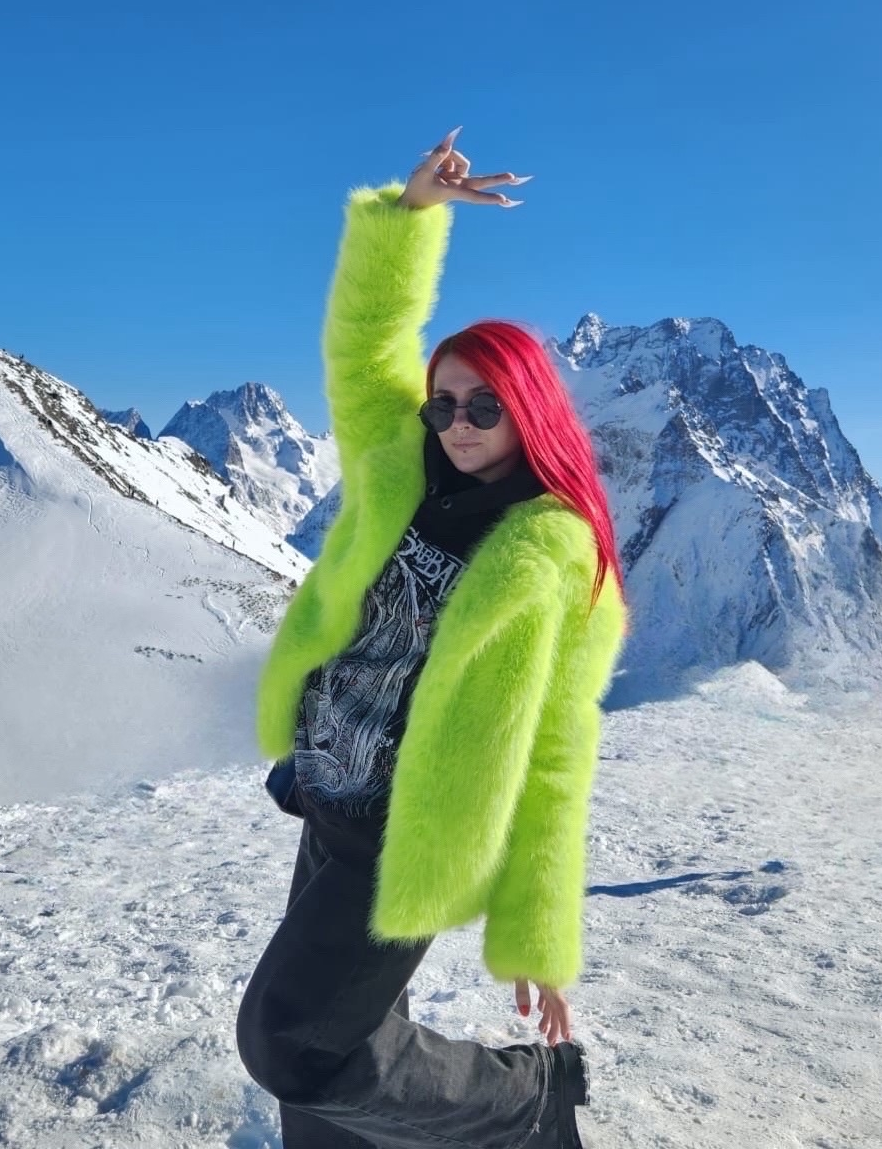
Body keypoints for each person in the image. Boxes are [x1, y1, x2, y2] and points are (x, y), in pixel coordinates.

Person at [236, 128, 627, 1149]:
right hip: (325, 785)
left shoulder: (554, 557)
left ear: (528, 411)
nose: (458, 420)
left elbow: (555, 748)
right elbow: (365, 344)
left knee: (294, 1041)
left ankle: (529, 1097)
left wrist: (536, 932)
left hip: (402, 829)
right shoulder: (398, 465)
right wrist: (408, 218)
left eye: (485, 404)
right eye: (445, 400)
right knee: (340, 1050)